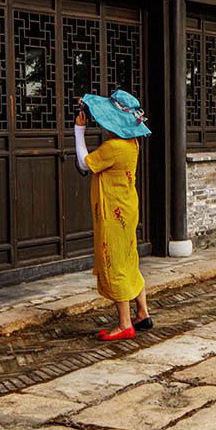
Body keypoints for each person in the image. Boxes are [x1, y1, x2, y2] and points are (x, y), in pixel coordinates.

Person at [74, 88, 153, 342]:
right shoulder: (132, 143)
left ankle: (125, 323)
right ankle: (142, 312)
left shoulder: (113, 148)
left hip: (113, 211)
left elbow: (84, 163)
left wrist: (79, 131)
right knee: (129, 258)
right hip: (128, 209)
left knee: (116, 263)